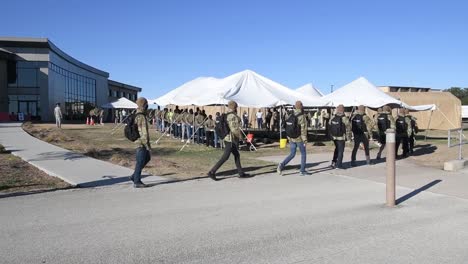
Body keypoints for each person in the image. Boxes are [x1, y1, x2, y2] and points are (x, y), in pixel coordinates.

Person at [208, 100, 250, 180]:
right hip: (230, 139)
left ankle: (241, 173)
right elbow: (234, 129)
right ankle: (212, 172)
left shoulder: (226, 115)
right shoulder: (232, 116)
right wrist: (242, 137)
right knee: (225, 157)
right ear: (234, 107)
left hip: (227, 138)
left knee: (237, 155)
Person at [277, 101, 309, 176]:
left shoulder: (290, 114)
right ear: (301, 106)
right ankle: (302, 170)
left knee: (292, 154)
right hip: (299, 138)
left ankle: (281, 165)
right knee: (303, 154)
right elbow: (303, 129)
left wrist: (288, 136)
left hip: (291, 137)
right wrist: (305, 139)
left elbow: (287, 126)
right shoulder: (302, 116)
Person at [130, 97, 151, 188]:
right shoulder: (141, 116)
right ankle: (137, 181)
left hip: (138, 141)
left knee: (147, 158)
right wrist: (147, 145)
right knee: (140, 161)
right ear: (144, 105)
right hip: (141, 142)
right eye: (146, 104)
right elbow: (144, 132)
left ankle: (134, 176)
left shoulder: (136, 114)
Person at [329, 104, 351, 169]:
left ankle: (333, 162)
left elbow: (329, 124)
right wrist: (348, 137)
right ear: (343, 109)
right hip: (341, 137)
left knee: (336, 149)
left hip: (334, 137)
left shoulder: (333, 117)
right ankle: (339, 165)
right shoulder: (344, 118)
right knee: (341, 151)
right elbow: (349, 127)